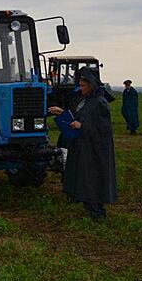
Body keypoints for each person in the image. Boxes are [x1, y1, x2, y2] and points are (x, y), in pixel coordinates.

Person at [48, 67, 117, 220]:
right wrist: (62, 113)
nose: (81, 88)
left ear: (92, 85)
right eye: (80, 85)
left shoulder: (100, 103)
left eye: (84, 86)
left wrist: (82, 126)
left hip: (95, 150)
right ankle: (89, 207)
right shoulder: (86, 101)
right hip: (83, 147)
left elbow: (103, 129)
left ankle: (97, 214)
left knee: (93, 179)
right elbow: (78, 117)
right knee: (84, 178)